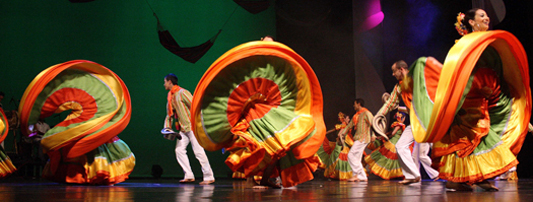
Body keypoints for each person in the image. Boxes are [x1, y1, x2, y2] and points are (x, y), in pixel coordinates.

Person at [403, 8, 531, 191]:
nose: (486, 17)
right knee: (464, 138)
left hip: (482, 97)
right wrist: (465, 92)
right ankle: (456, 178)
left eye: (486, 15)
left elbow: (495, 68)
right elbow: (459, 72)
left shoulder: (488, 42)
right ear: (471, 22)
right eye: (481, 16)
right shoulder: (464, 44)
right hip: (466, 97)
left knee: (482, 137)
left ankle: (479, 176)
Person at [162, 73, 215, 185]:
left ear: (170, 82)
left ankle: (208, 176)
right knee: (179, 150)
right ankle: (189, 175)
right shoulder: (170, 96)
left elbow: (195, 105)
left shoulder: (182, 93)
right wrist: (167, 129)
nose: (164, 84)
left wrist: (199, 123)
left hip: (192, 127)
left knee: (198, 151)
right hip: (182, 128)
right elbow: (169, 115)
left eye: (165, 82)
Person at [345, 98, 374, 182]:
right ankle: (362, 176)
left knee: (350, 155)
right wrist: (342, 133)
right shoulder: (356, 116)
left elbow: (373, 124)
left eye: (354, 104)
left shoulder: (366, 113)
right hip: (359, 138)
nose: (354, 106)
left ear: (358, 104)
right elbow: (349, 125)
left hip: (363, 138)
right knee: (356, 158)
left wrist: (374, 134)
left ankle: (358, 174)